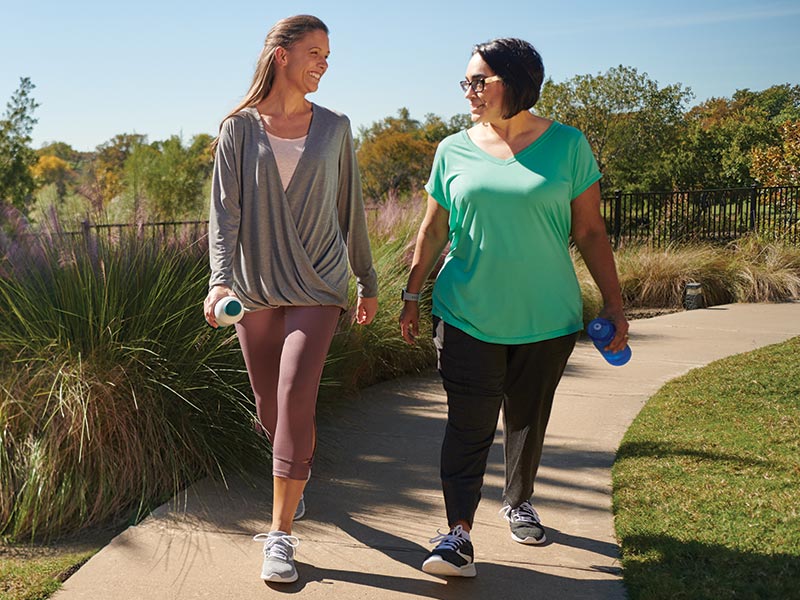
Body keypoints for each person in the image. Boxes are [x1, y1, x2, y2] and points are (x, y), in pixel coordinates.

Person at [399, 37, 629, 578]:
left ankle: (518, 499)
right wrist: (412, 295)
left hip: (547, 317)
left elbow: (591, 231)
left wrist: (616, 305)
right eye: (466, 82)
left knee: (528, 416)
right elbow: (433, 229)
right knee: (468, 423)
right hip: (466, 313)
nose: (470, 92)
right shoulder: (452, 148)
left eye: (481, 81)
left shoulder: (569, 146)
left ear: (517, 82)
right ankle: (457, 535)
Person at [204, 14, 378, 584]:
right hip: (254, 286)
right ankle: (295, 470)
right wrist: (220, 280)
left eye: (328, 54)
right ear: (282, 55)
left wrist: (366, 278)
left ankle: (280, 534)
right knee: (269, 406)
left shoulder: (335, 127)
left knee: (296, 393)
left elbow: (349, 206)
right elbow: (224, 215)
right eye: (315, 51)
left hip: (320, 281)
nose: (324, 63)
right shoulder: (237, 130)